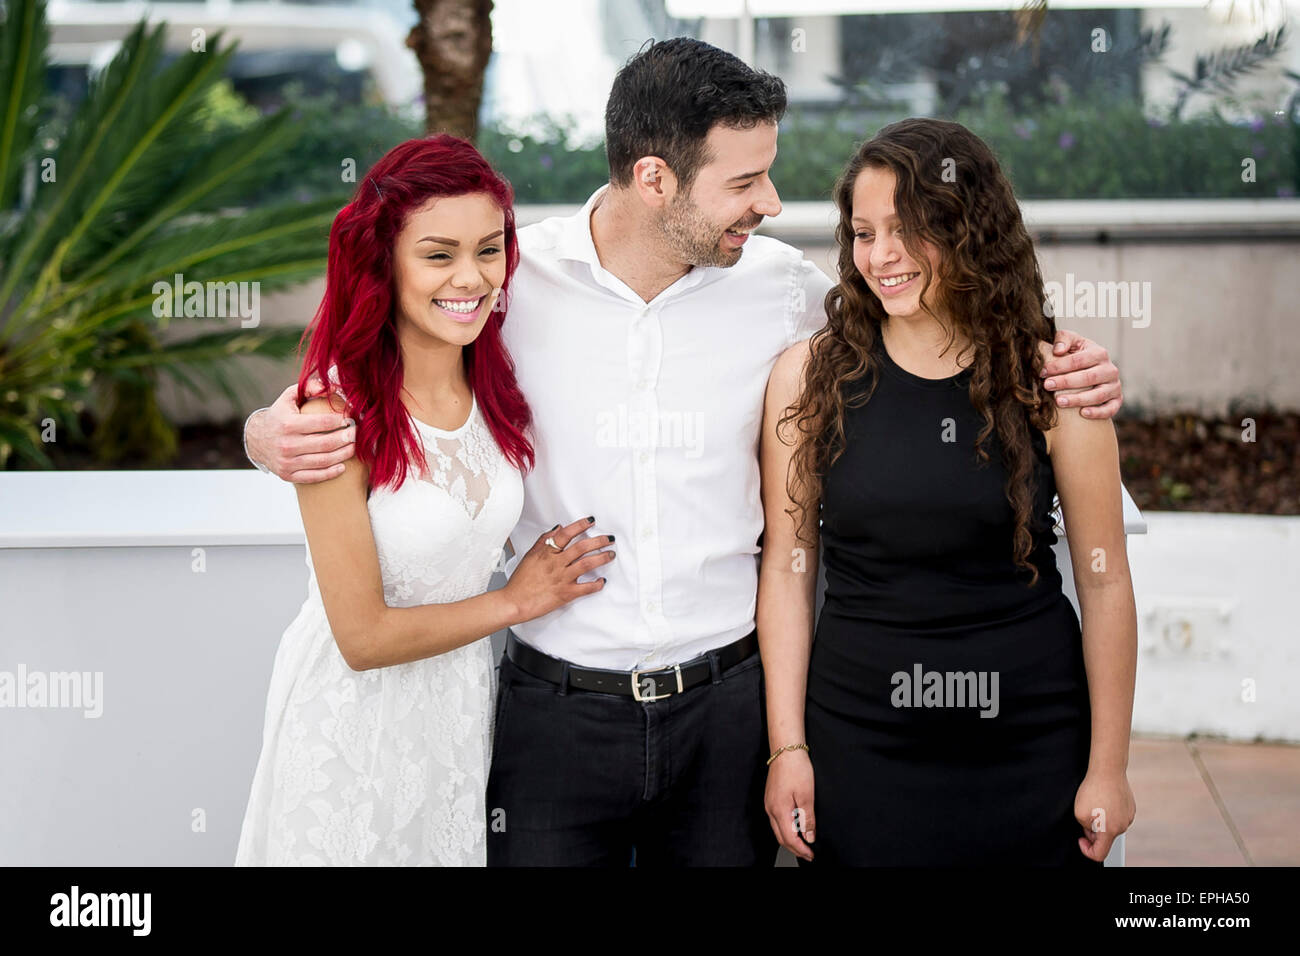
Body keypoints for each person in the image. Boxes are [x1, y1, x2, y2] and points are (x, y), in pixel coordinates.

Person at [243, 39, 1125, 867]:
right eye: (746, 180)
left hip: (727, 714)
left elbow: (925, 326)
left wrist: (1066, 365)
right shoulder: (512, 280)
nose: (771, 203)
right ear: (655, 178)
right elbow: (387, 357)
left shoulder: (782, 289)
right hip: (553, 714)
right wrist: (267, 431)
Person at [759, 118, 1137, 867]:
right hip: (861, 741)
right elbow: (786, 571)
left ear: (968, 228)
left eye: (907, 229)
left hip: (1028, 737)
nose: (881, 256)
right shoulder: (808, 378)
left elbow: (1106, 583)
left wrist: (1109, 767)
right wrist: (786, 748)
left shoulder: (1052, 384)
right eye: (863, 233)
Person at [234, 136, 611, 866]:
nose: (471, 278)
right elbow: (362, 638)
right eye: (438, 255)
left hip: (457, 714)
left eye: (490, 250)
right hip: (352, 724)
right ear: (385, 264)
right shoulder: (334, 412)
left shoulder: (493, 381)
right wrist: (518, 600)